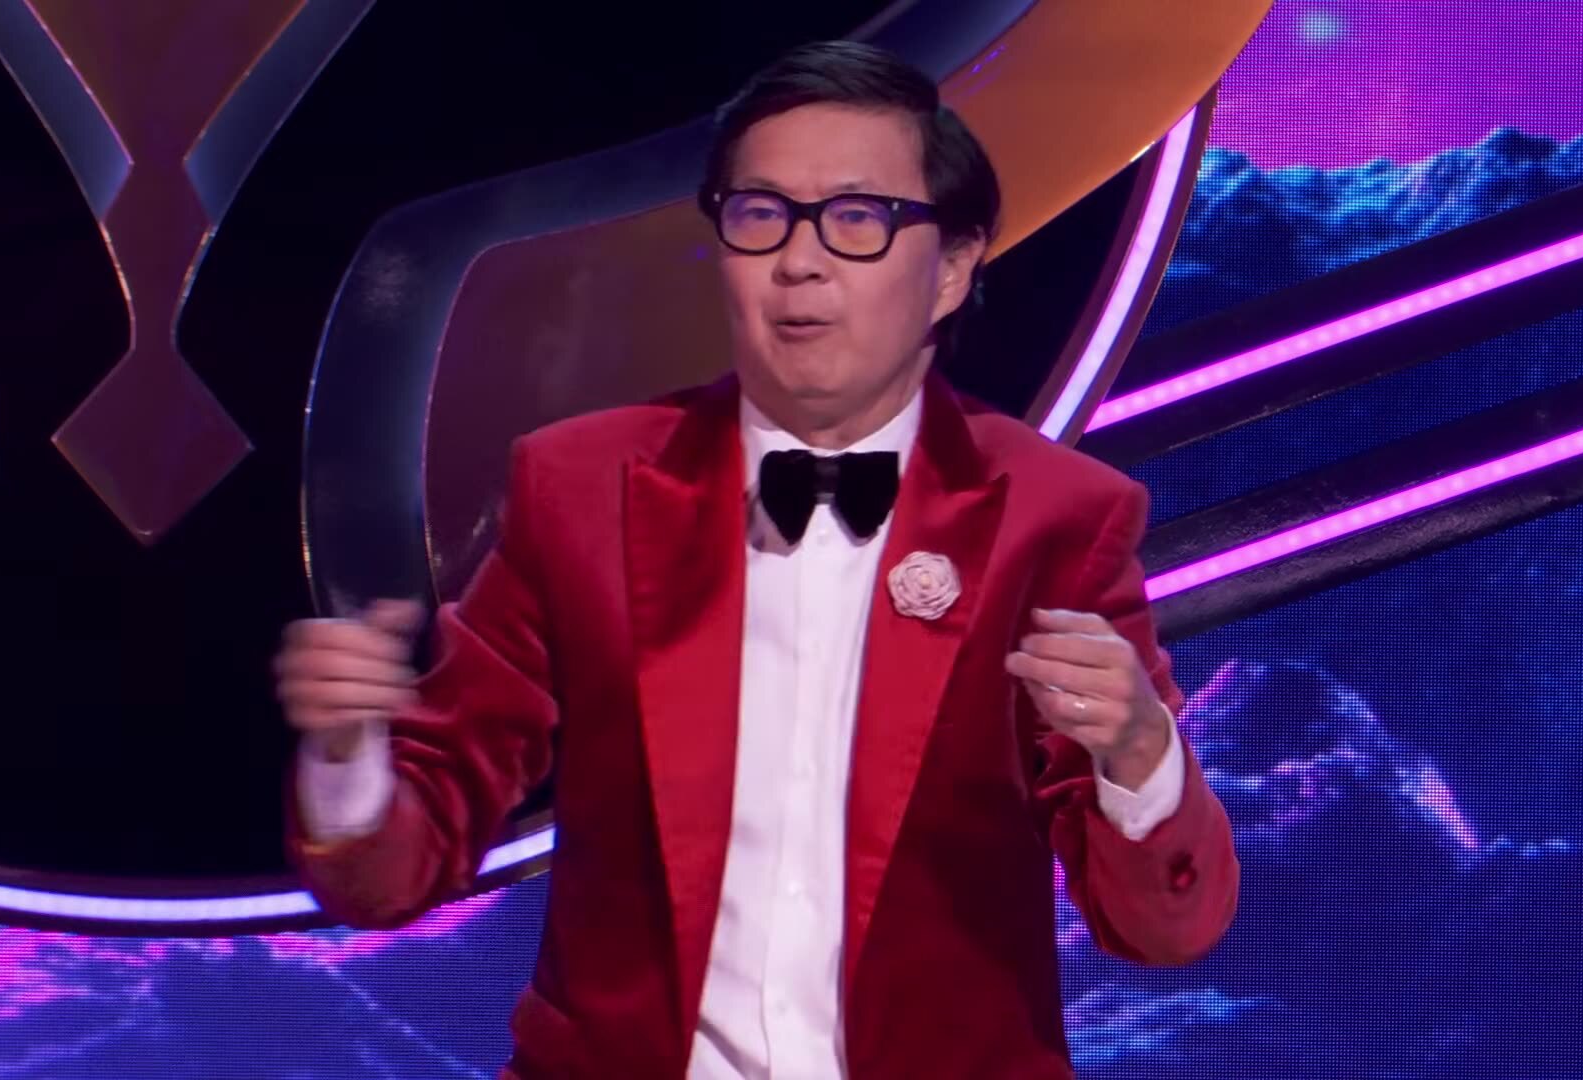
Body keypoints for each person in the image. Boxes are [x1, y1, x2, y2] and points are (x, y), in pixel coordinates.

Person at [274, 40, 1237, 1080]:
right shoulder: (580, 488)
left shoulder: (1056, 517)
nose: (800, 261)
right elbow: (398, 868)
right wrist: (348, 759)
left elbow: (1163, 929)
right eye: (760, 214)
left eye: (858, 219)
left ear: (954, 269)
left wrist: (1139, 754)